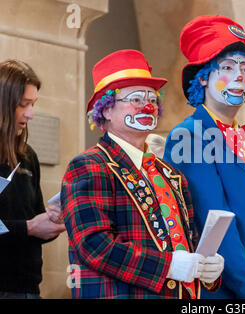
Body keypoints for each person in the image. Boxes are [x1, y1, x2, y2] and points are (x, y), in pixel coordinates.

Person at [61, 49, 223, 299]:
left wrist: (207, 268)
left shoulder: (171, 175)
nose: (148, 105)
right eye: (135, 99)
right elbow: (93, 245)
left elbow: (187, 243)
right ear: (106, 110)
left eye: (152, 98)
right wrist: (167, 266)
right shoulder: (89, 165)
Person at [163, 15, 245, 299]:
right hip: (218, 293)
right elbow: (215, 221)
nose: (240, 77)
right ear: (204, 76)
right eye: (228, 67)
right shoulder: (189, 136)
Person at [0, 59, 66, 298]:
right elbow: (26, 227)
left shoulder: (28, 156)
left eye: (33, 104)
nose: (31, 114)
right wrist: (28, 228)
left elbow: (33, 222)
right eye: (22, 104)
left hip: (28, 288)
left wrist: (50, 222)